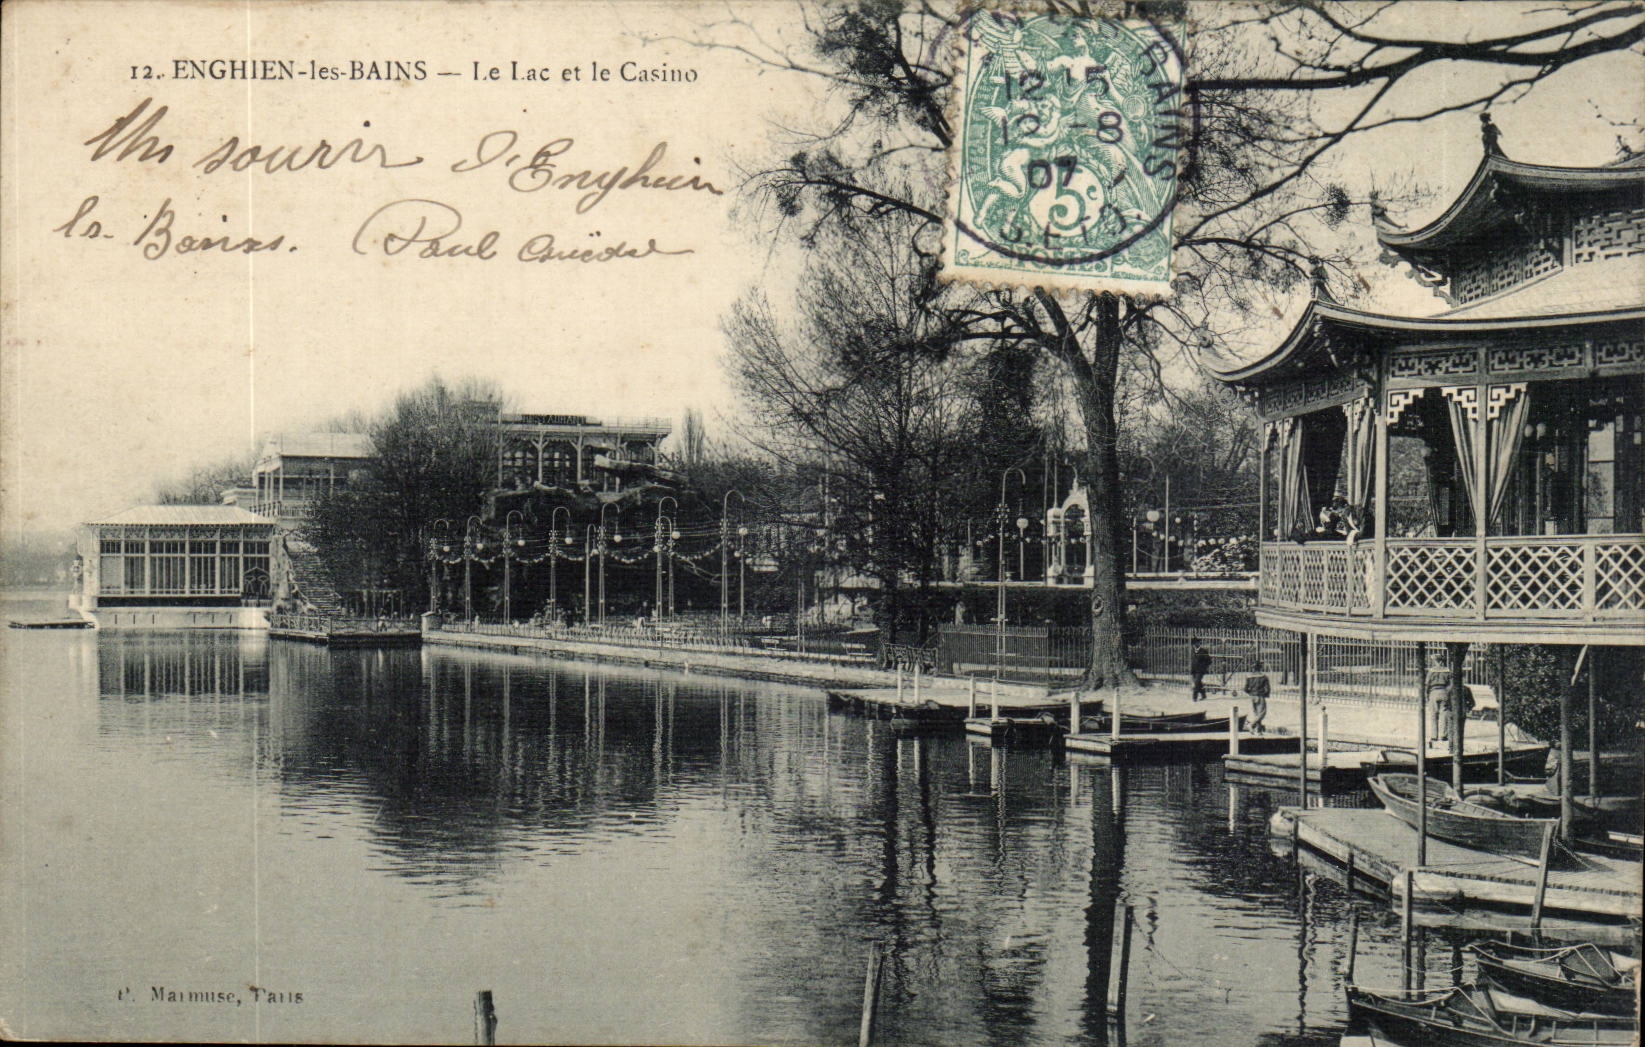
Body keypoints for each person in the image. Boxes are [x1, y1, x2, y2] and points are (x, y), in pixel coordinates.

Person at [1243, 663, 1271, 734]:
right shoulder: (1264, 677)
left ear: (1253, 668)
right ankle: (1251, 724)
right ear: (1260, 668)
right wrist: (1265, 694)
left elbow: (1245, 689)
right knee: (1262, 713)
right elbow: (1267, 689)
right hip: (1260, 695)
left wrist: (1250, 693)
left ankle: (1259, 731)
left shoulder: (1249, 677)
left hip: (1252, 696)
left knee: (1256, 713)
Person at [1190, 637, 1212, 702]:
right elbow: (1193, 660)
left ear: (1199, 643)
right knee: (1198, 683)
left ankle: (1194, 697)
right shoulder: (1193, 651)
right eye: (1194, 644)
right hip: (1194, 669)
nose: (1195, 645)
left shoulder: (1203, 651)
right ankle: (1203, 695)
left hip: (1200, 670)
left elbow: (1209, 661)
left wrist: (1203, 667)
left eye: (1196, 643)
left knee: (1196, 683)